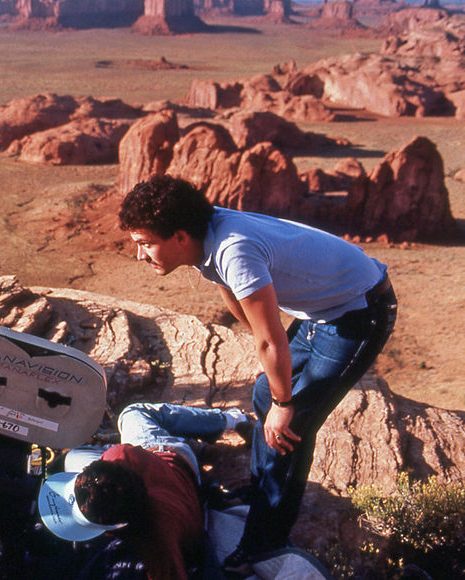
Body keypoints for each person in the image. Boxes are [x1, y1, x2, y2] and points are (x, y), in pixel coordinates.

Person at [117, 175, 397, 574]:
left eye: (146, 243)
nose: (141, 255)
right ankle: (262, 490)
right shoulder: (204, 233)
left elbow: (271, 340)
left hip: (358, 314)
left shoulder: (234, 250)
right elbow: (235, 297)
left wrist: (286, 403)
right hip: (323, 313)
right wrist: (277, 392)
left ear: (179, 236)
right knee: (267, 391)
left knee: (291, 422)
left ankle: (264, 542)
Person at [39, 402, 253, 580]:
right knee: (132, 414)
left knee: (131, 415)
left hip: (175, 458)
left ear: (117, 526)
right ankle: (228, 422)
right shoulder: (118, 454)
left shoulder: (158, 542)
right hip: (160, 460)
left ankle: (225, 422)